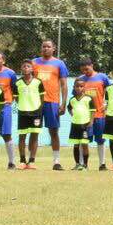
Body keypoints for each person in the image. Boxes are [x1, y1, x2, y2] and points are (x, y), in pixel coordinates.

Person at [32, 39, 69, 170]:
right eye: (43, 46)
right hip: (35, 103)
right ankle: (31, 161)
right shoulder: (34, 63)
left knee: (53, 131)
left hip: (52, 102)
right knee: (34, 131)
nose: (45, 48)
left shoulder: (59, 63)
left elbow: (64, 85)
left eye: (48, 46)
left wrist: (63, 103)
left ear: (54, 48)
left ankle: (56, 161)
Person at [76, 58, 112, 171]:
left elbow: (110, 92)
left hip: (100, 115)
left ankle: (102, 164)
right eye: (83, 70)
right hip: (85, 117)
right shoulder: (80, 80)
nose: (85, 72)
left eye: (86, 69)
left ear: (92, 65)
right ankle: (82, 164)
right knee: (84, 140)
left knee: (100, 140)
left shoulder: (102, 77)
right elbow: (76, 97)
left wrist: (107, 103)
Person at [0, 53, 18, 169]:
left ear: (3, 61)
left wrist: (10, 101)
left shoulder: (10, 73)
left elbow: (15, 90)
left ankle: (11, 162)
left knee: (6, 134)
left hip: (5, 107)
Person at [14, 60, 44, 169]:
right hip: (23, 112)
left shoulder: (38, 82)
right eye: (24, 66)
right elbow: (16, 98)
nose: (26, 68)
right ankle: (22, 161)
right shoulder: (17, 83)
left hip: (36, 113)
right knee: (22, 136)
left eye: (28, 66)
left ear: (32, 69)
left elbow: (42, 98)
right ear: (21, 69)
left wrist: (38, 109)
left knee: (35, 136)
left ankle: (32, 161)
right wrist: (24, 106)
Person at [67, 79, 95, 171]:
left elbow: (92, 111)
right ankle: (77, 164)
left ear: (84, 87)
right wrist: (72, 114)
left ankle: (85, 165)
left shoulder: (89, 98)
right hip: (75, 125)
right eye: (77, 86)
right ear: (74, 87)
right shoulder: (72, 99)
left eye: (81, 86)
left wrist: (91, 121)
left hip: (85, 125)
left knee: (84, 144)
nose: (79, 88)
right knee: (75, 145)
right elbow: (69, 108)